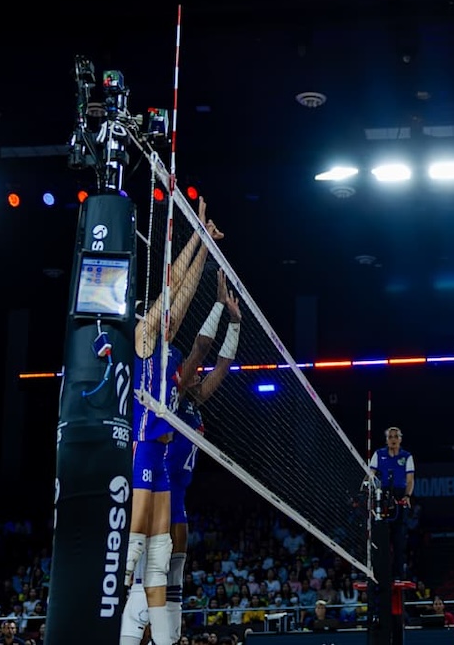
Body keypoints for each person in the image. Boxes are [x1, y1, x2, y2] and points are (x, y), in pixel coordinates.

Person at [128, 199, 222, 645]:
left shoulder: (173, 353)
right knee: (139, 558)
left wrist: (204, 243)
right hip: (146, 444)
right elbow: (173, 291)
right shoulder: (145, 339)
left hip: (164, 455)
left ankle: (162, 637)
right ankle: (129, 629)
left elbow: (181, 296)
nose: (171, 313)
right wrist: (195, 240)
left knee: (162, 565)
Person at [163, 270, 242, 641]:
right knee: (151, 577)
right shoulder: (175, 399)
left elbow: (222, 365)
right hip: (158, 493)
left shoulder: (195, 404)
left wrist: (236, 322)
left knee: (176, 578)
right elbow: (202, 350)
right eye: (194, 373)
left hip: (180, 500)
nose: (200, 375)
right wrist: (217, 303)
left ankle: (171, 636)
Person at [368, 426, 415, 579]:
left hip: (399, 495)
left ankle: (398, 574)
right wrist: (366, 490)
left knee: (399, 539)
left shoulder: (407, 456)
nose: (393, 439)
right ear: (386, 440)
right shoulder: (378, 454)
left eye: (396, 436)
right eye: (390, 437)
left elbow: (410, 480)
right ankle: (379, 573)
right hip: (382, 495)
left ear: (400, 439)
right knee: (380, 538)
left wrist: (407, 496)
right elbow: (371, 475)